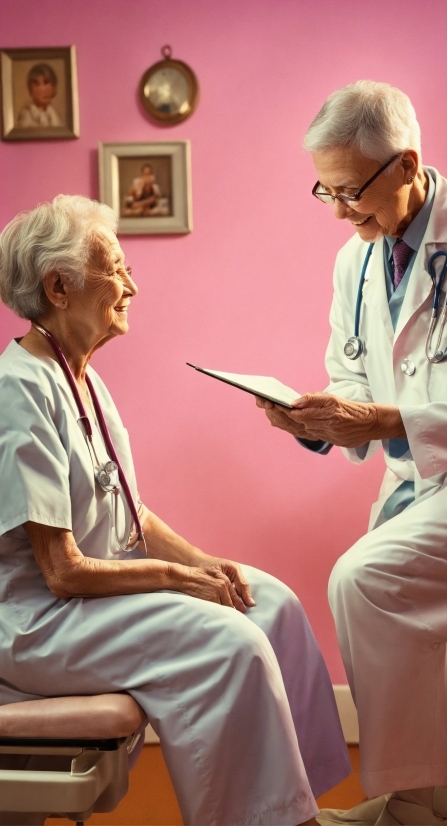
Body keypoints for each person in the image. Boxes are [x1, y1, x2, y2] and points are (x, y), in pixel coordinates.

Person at [256, 81, 447, 826]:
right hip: (423, 477)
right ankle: (436, 800)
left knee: (364, 579)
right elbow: (354, 375)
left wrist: (382, 417)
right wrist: (317, 418)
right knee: (364, 594)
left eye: (349, 190)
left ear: (405, 165)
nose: (336, 211)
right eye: (323, 191)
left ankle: (445, 798)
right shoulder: (354, 261)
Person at [0, 195, 350, 826]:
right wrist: (176, 579)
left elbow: (130, 512)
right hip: (42, 620)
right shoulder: (19, 392)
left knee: (267, 602)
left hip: (91, 599)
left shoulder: (80, 374)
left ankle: (299, 805)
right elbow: (62, 570)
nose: (132, 284)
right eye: (114, 267)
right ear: (58, 286)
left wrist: (205, 564)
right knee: (231, 644)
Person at [16, 63, 61, 128]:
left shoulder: (53, 113)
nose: (42, 90)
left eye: (46, 83)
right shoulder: (26, 115)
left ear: (54, 87)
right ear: (30, 90)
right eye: (36, 84)